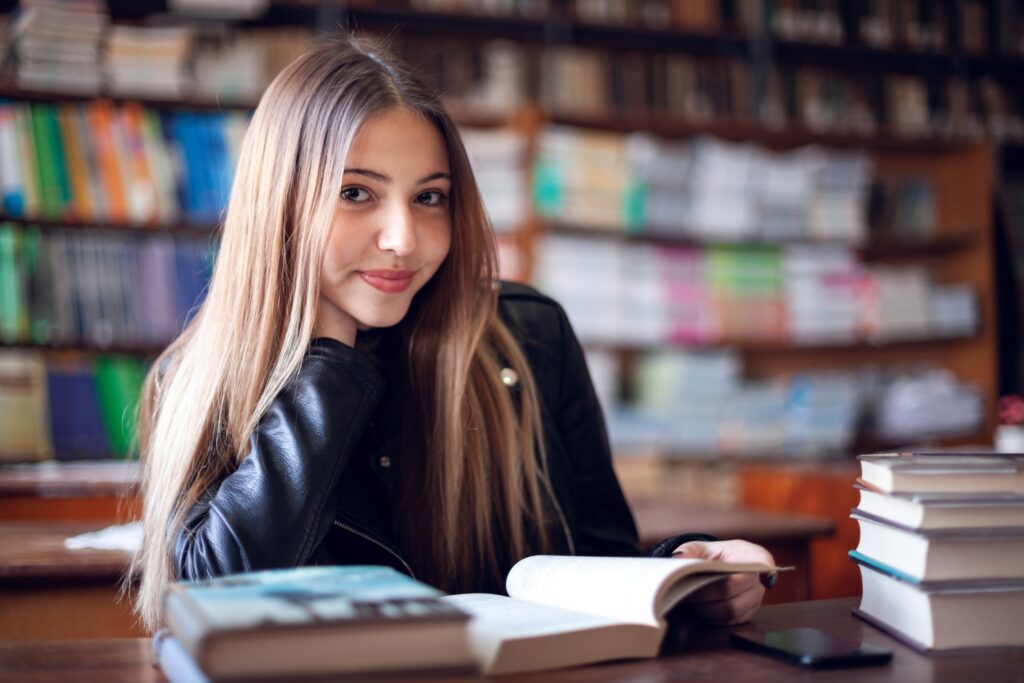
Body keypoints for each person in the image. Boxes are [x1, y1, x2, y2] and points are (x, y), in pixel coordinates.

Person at [130, 37, 775, 634]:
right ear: (283, 205)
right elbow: (216, 602)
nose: (403, 239)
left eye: (429, 198)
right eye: (356, 193)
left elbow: (597, 565)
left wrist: (685, 575)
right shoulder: (193, 382)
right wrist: (326, 358)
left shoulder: (530, 336)